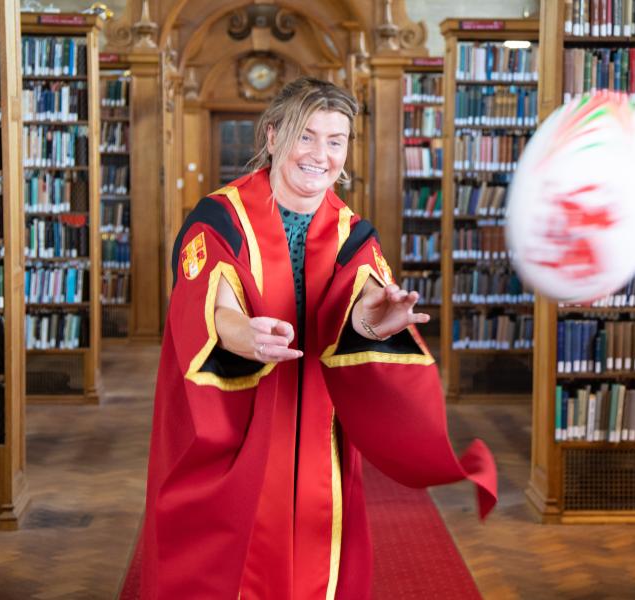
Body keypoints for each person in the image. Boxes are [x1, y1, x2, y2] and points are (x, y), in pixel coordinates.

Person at [131, 77, 497, 599]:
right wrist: (247, 338)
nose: (320, 155)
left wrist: (378, 323)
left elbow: (361, 315)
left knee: (316, 552)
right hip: (239, 424)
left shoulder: (353, 233)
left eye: (335, 140)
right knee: (226, 561)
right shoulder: (219, 219)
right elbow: (210, 307)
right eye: (306, 136)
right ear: (274, 135)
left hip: (317, 432)